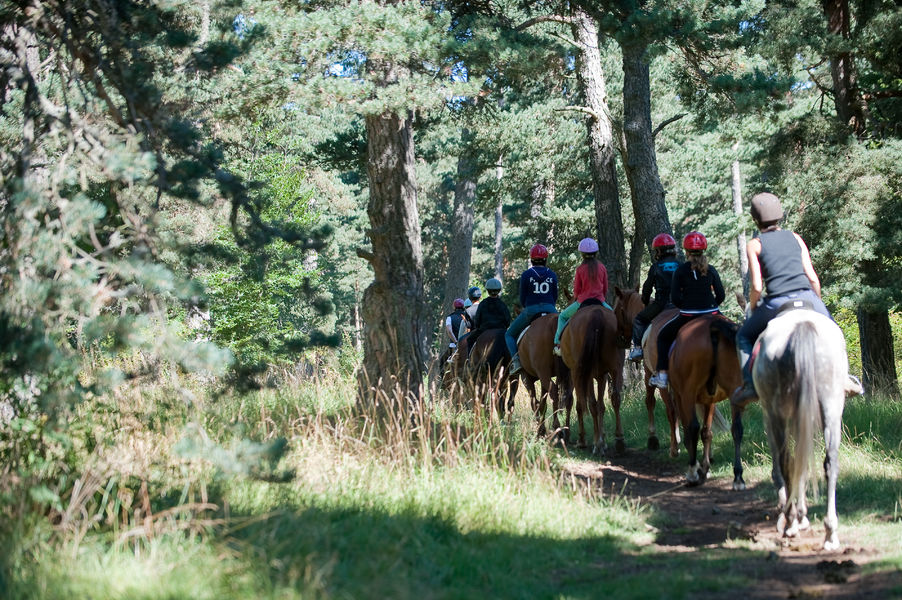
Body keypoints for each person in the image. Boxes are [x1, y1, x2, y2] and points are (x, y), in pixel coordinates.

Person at [731, 192, 836, 407]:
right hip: (807, 296)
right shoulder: (795, 237)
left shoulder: (755, 244)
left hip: (778, 301)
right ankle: (844, 379)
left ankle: (750, 386)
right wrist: (818, 302)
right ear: (779, 215)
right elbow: (813, 278)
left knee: (743, 336)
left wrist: (753, 308)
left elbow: (757, 286)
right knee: (833, 330)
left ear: (755, 219)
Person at [649, 232, 725, 389]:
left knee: (663, 336)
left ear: (686, 251)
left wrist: (688, 306)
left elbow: (675, 298)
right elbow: (721, 295)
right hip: (713, 313)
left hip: (689, 315)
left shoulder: (681, 271)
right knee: (735, 333)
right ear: (704, 250)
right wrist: (711, 307)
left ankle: (662, 375)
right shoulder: (711, 269)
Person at [507, 244, 559, 374]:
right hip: (551, 309)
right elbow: (555, 296)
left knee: (509, 334)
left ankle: (516, 361)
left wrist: (527, 307)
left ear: (531, 259)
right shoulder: (552, 274)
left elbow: (523, 298)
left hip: (531, 310)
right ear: (545, 259)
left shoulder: (526, 274)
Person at [628, 233, 680, 362]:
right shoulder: (681, 265)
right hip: (681, 304)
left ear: (659, 251)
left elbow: (647, 289)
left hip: (661, 304)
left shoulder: (656, 267)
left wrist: (645, 301)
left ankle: (638, 349)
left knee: (639, 320)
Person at [553, 238, 609, 355]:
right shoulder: (602, 267)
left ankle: (558, 344)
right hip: (599, 301)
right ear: (596, 253)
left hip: (582, 302)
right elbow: (605, 288)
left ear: (582, 254)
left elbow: (577, 289)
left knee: (562, 316)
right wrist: (601, 298)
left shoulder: (580, 269)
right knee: (614, 317)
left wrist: (577, 298)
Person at [468, 277, 511, 355]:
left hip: (484, 330)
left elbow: (477, 321)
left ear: (487, 290)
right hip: (501, 331)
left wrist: (478, 327)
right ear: (499, 290)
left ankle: (469, 361)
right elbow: (508, 321)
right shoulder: (502, 304)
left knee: (469, 340)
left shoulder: (483, 304)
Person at [441, 298, 467, 364]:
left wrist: (456, 342)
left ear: (454, 307)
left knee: (442, 362)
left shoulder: (450, 317)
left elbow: (449, 331)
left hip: (453, 346)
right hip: (466, 345)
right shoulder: (467, 316)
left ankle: (442, 374)